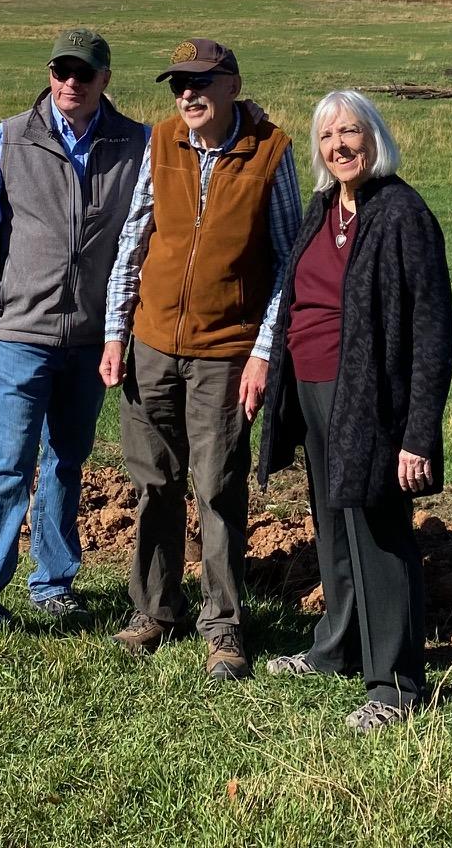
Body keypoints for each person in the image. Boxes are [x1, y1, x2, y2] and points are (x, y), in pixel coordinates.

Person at [0, 27, 149, 654]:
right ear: (49, 74)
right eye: (61, 71)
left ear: (106, 79)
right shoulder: (8, 141)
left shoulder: (135, 144)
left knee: (67, 461)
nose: (70, 84)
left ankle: (53, 582)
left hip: (92, 340)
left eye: (84, 73)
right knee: (8, 463)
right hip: (22, 333)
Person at [254, 89, 452, 732]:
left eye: (350, 132)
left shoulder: (402, 213)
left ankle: (396, 684)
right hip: (313, 389)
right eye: (327, 136)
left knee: (377, 528)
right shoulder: (321, 208)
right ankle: (336, 647)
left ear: (374, 137)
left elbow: (433, 331)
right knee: (333, 521)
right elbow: (293, 295)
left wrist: (417, 433)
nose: (339, 145)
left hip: (370, 398)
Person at [101, 37, 302, 680]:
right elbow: (135, 236)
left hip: (224, 353)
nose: (186, 94)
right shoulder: (163, 144)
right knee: (153, 484)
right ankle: (156, 610)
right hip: (152, 343)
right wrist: (116, 332)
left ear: (232, 87)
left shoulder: (271, 151)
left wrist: (264, 352)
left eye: (200, 82)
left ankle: (225, 627)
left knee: (217, 490)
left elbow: (289, 264)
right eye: (177, 84)